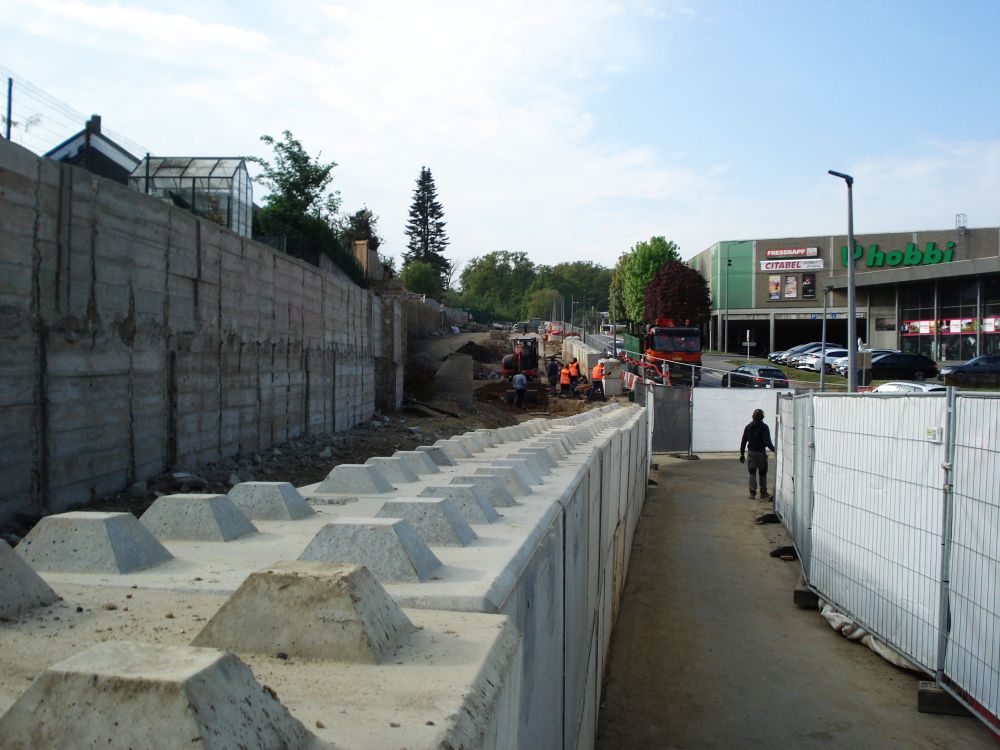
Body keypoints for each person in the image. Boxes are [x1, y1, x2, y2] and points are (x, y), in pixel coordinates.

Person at [739, 408, 776, 499]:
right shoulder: (764, 427)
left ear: (753, 416)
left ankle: (752, 493)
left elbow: (743, 441)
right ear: (762, 417)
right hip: (761, 454)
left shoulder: (748, 427)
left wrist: (742, 454)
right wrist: (776, 451)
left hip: (751, 453)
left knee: (752, 472)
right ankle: (763, 493)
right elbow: (767, 442)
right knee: (762, 473)